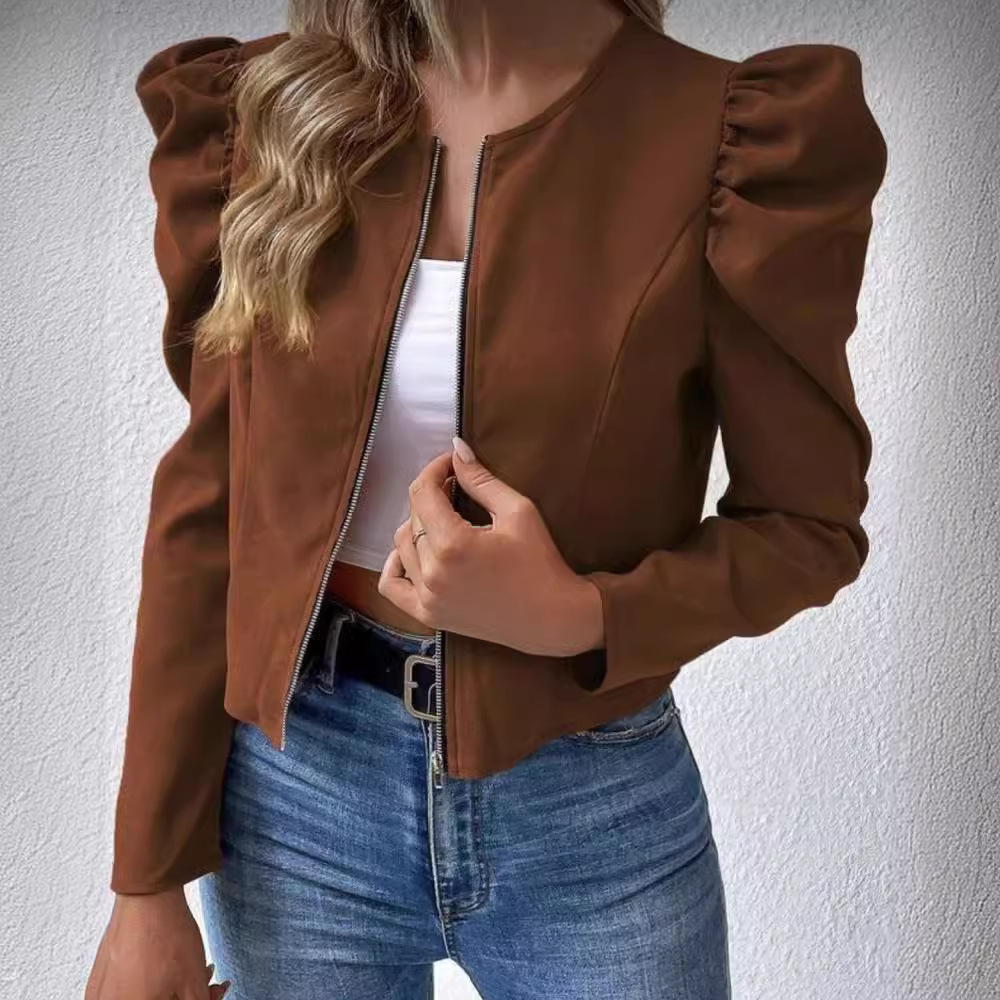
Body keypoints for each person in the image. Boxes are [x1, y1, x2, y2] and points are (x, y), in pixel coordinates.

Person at [87, 0, 888, 997]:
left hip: (590, 802)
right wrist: (146, 882)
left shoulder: (731, 139)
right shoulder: (269, 111)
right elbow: (209, 508)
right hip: (298, 801)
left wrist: (580, 614)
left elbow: (807, 526)